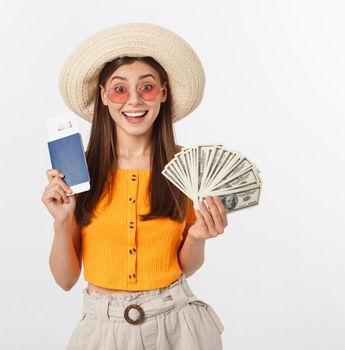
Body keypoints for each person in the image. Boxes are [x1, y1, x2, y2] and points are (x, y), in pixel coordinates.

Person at [42, 22, 228, 349]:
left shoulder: (185, 168)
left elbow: (185, 267)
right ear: (103, 96)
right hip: (102, 329)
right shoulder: (79, 169)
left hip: (178, 327)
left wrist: (197, 236)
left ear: (163, 93)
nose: (134, 101)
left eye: (146, 87)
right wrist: (62, 223)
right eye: (119, 89)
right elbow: (65, 279)